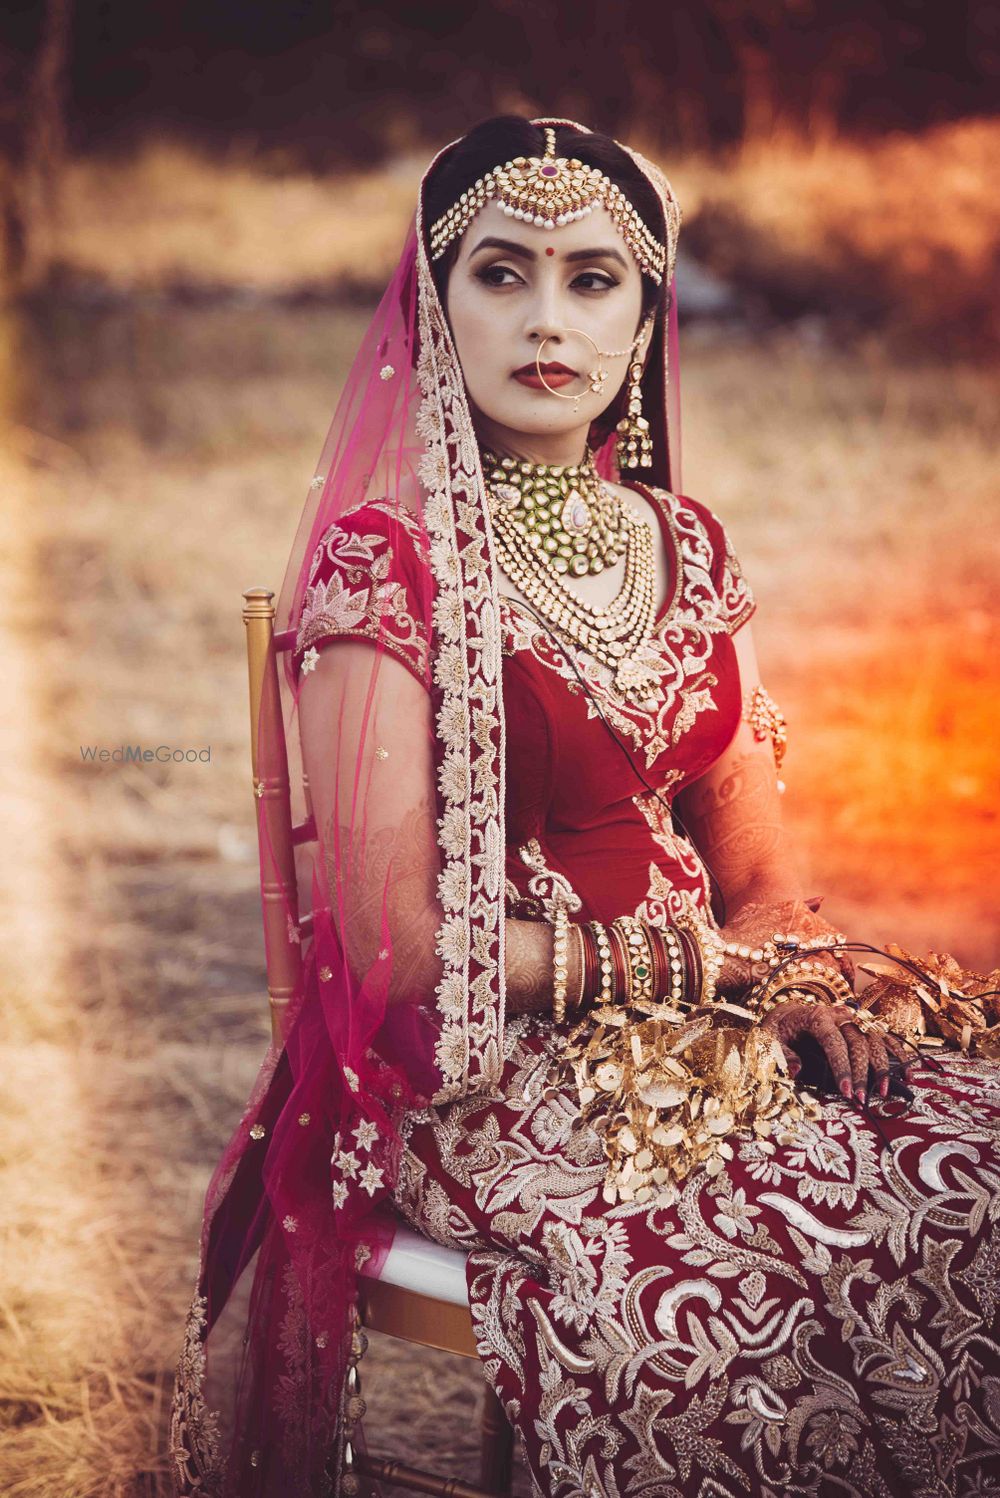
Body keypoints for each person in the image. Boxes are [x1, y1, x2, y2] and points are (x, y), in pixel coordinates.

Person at [170, 115, 1000, 1498]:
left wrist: (812, 978)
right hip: (488, 1072)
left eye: (591, 278)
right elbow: (395, 944)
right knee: (750, 1268)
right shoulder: (391, 564)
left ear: (643, 312)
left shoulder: (687, 545)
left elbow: (764, 880)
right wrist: (699, 968)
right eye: (500, 274)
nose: (546, 317)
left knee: (964, 1158)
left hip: (712, 1026)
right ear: (437, 307)